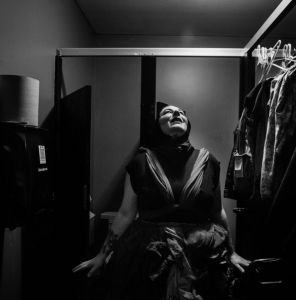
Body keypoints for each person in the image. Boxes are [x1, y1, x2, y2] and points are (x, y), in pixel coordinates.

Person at [73, 103, 250, 300]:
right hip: (149, 254)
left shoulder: (209, 162)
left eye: (181, 112)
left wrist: (232, 252)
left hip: (200, 252)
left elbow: (218, 213)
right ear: (158, 125)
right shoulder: (140, 162)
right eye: (168, 112)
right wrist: (101, 255)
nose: (177, 113)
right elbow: (125, 213)